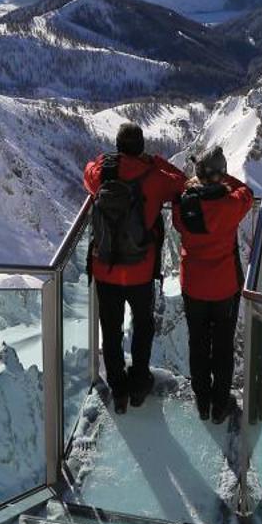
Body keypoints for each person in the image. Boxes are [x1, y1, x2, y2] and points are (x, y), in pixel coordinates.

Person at [83, 122, 186, 414]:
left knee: (111, 331)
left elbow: (87, 171)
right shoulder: (154, 177)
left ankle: (119, 390)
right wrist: (154, 161)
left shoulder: (102, 173)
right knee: (143, 327)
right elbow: (182, 181)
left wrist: (106, 160)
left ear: (118, 147)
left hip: (105, 270)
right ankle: (140, 384)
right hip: (141, 270)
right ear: (141, 147)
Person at [172, 145, 254, 422]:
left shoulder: (184, 204)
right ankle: (220, 405)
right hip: (224, 288)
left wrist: (200, 182)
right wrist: (223, 179)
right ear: (220, 175)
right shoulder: (231, 205)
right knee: (222, 346)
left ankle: (202, 400)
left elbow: (176, 218)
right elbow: (246, 193)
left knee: (198, 343)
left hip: (193, 286)